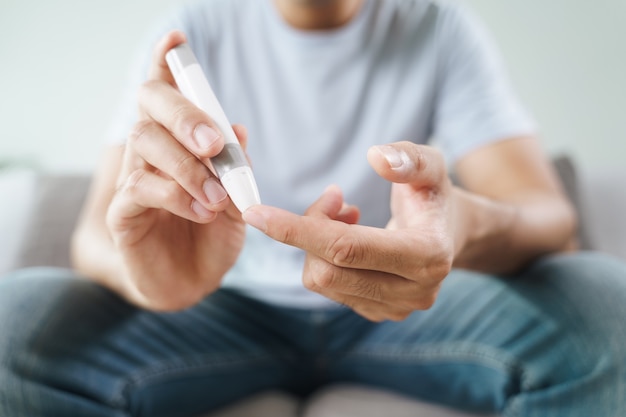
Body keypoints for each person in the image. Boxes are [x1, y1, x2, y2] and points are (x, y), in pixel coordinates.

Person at [1, 0, 625, 415]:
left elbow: (549, 217)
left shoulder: (435, 24)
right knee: (13, 321)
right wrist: (147, 279)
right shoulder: (193, 25)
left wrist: (459, 227)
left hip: (399, 310)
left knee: (606, 303)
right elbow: (91, 241)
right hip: (218, 307)